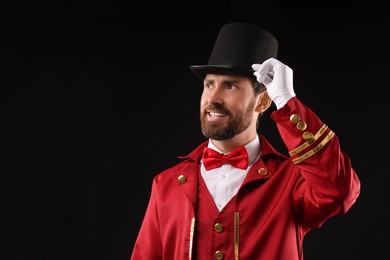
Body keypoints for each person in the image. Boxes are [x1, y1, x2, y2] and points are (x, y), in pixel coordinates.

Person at [130, 22, 361, 260]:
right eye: (209, 85)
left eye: (230, 86)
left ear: (261, 103)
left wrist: (286, 100)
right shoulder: (165, 184)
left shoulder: (292, 181)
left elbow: (339, 191)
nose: (214, 98)